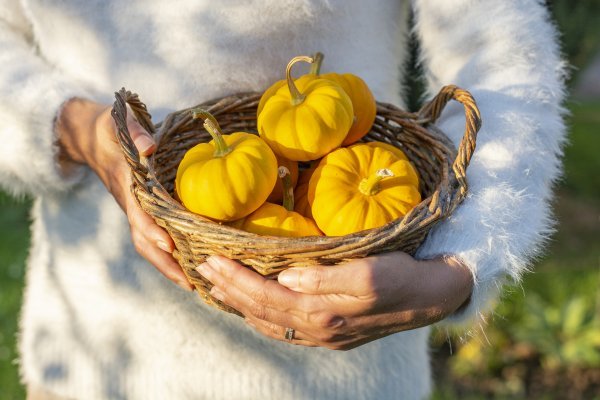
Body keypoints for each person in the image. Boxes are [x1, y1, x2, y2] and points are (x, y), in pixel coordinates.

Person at [0, 1, 566, 399]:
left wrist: (460, 261)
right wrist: (77, 130)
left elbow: (501, 45)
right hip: (90, 358)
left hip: (344, 360)